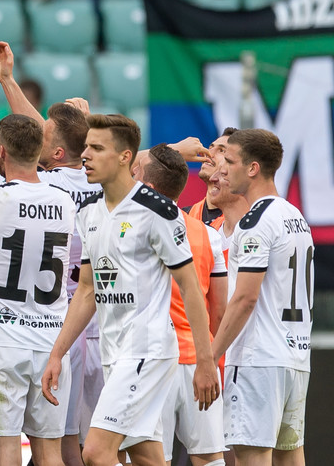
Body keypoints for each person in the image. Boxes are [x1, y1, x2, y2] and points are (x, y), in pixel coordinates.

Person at [40, 114, 220, 466]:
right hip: (114, 351)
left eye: (97, 148)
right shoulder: (89, 211)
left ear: (126, 158)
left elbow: (190, 288)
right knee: (146, 457)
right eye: (86, 146)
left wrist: (205, 360)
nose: (86, 155)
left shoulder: (158, 211)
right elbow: (88, 290)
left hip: (147, 351)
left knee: (95, 452)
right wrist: (57, 353)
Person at [0, 114, 76, 466]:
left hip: (0, 343)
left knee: (3, 452)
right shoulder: (66, 202)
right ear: (40, 150)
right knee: (49, 452)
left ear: (1, 152)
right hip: (52, 343)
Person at [211, 129, 313, 466]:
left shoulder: (255, 221)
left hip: (259, 359)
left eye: (230, 161)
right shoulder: (294, 215)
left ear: (252, 168)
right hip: (295, 358)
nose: (221, 169)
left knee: (252, 457)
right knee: (290, 456)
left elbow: (244, 300)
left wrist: (210, 357)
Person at [132, 145, 228, 466]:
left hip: (153, 359)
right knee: (208, 456)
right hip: (198, 358)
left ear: (149, 186)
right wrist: (208, 359)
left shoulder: (132, 227)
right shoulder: (208, 235)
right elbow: (218, 310)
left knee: (153, 457)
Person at [187, 127, 237, 230]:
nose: (209, 154)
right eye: (210, 147)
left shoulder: (245, 222)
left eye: (221, 150)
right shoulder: (184, 217)